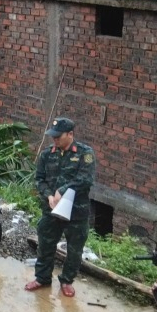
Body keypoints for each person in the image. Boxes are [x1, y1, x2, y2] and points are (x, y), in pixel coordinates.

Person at [25, 117, 96, 298]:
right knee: (46, 245)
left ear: (70, 134)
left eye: (58, 136)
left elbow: (86, 179)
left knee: (74, 250)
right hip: (51, 210)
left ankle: (66, 281)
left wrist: (62, 190)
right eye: (53, 136)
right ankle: (42, 278)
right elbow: (39, 179)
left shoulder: (84, 154)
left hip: (76, 212)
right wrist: (49, 195)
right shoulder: (47, 154)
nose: (54, 140)